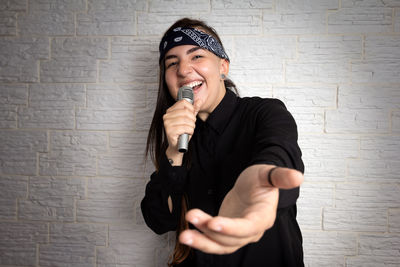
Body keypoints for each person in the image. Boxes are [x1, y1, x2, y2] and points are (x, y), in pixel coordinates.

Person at [141, 17, 305, 267]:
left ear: (223, 66)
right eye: (172, 63)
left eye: (196, 57)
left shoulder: (264, 113)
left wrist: (263, 183)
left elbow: (278, 154)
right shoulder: (179, 141)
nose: (183, 70)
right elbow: (158, 219)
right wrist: (174, 151)